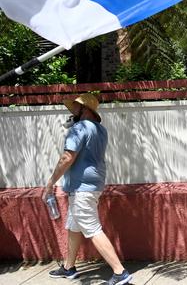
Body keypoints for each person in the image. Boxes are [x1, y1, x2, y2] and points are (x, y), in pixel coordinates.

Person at [43, 93, 132, 285]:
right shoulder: (101, 130)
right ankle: (69, 268)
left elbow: (67, 157)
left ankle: (120, 272)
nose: (72, 111)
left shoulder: (79, 127)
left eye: (75, 108)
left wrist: (51, 182)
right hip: (93, 184)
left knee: (92, 228)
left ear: (85, 110)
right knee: (74, 226)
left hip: (82, 187)